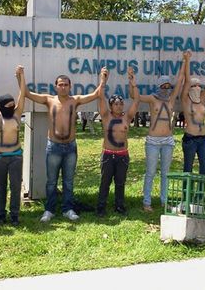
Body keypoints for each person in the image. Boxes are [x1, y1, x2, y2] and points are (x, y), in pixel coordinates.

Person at [20, 68, 105, 222]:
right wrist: (21, 76)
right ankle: (49, 210)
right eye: (60, 84)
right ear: (56, 86)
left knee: (68, 181)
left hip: (70, 147)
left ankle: (68, 209)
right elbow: (26, 93)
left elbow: (95, 94)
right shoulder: (48, 100)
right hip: (53, 147)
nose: (63, 87)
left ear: (70, 86)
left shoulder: (76, 100)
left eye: (66, 84)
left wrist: (103, 79)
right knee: (51, 181)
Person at [130, 56, 185, 212]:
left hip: (168, 141)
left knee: (166, 173)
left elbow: (180, 80)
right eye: (164, 86)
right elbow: (134, 96)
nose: (167, 88)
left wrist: (185, 61)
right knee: (151, 172)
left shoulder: (171, 100)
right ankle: (147, 202)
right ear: (159, 86)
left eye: (169, 86)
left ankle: (164, 200)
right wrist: (132, 81)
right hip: (153, 142)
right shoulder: (152, 99)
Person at [96, 67, 139, 217]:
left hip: (122, 155)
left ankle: (119, 206)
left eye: (121, 103)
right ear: (110, 105)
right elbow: (100, 97)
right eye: (116, 104)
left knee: (120, 183)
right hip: (108, 155)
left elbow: (137, 100)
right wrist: (103, 81)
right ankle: (101, 207)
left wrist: (132, 82)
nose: (119, 106)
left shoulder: (126, 117)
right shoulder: (106, 116)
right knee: (105, 182)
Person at [0, 65, 25, 226]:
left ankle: (15, 215)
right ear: (1, 106)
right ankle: (1, 215)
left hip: (16, 156)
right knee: (1, 188)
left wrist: (21, 75)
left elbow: (22, 94)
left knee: (16, 187)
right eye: (8, 105)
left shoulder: (17, 115)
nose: (12, 107)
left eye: (13, 104)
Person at [180, 51, 205, 176]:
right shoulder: (186, 100)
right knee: (188, 169)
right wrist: (187, 60)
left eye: (199, 85)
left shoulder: (202, 99)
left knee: (204, 169)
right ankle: (187, 194)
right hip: (190, 139)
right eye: (194, 85)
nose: (197, 87)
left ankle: (201, 195)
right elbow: (187, 81)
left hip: (203, 139)